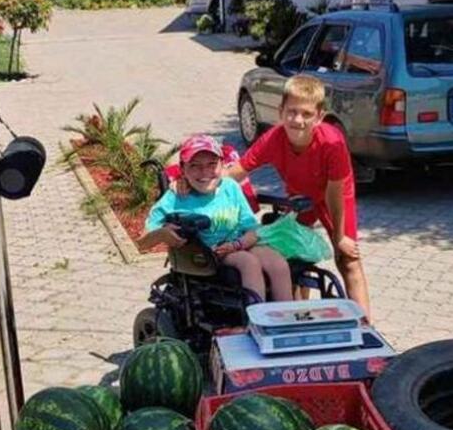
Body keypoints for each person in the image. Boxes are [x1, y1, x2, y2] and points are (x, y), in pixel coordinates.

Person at [228, 76, 372, 320]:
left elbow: (334, 193)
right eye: (292, 112)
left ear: (319, 115)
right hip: (300, 196)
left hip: (333, 195)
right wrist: (200, 183)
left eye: (306, 114)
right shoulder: (274, 138)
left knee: (347, 257)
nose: (297, 120)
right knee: (295, 254)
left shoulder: (332, 143)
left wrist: (339, 237)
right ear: (280, 111)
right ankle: (301, 316)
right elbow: (238, 171)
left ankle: (366, 324)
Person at [138, 134, 293, 303]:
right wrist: (162, 234)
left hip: (240, 243)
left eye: (212, 164)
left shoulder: (230, 187)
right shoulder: (175, 197)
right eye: (195, 166)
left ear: (222, 164)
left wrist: (238, 244)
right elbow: (142, 243)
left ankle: (285, 319)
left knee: (278, 263)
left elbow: (252, 228)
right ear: (182, 169)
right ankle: (255, 320)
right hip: (207, 255)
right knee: (249, 262)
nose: (205, 172)